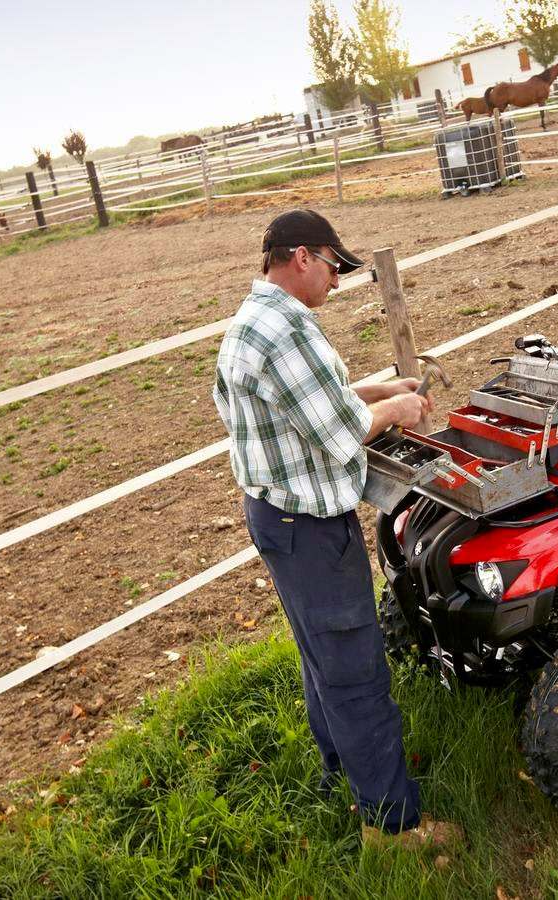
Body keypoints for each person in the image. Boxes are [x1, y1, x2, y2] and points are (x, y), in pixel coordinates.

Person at [213, 209, 463, 851]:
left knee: (318, 655)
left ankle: (341, 773)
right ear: (302, 256)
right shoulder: (291, 331)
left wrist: (375, 387)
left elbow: (292, 405)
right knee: (354, 669)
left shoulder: (248, 323)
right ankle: (392, 826)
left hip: (275, 519)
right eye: (332, 266)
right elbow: (335, 431)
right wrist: (399, 408)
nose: (336, 280)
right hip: (313, 528)